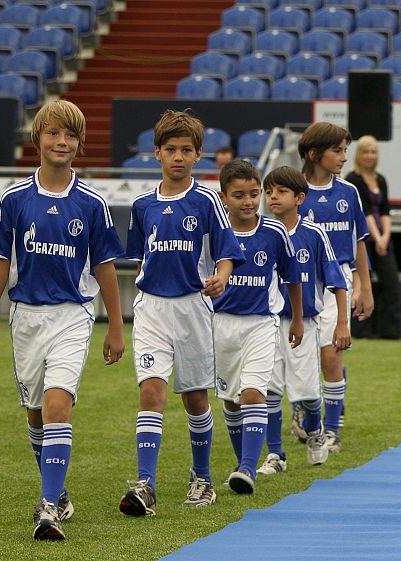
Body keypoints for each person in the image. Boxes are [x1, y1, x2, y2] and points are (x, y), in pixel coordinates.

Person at [0, 100, 125, 540]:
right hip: (25, 316)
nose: (62, 142)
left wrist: (116, 325)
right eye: (54, 133)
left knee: (59, 402)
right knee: (36, 413)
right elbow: (0, 260)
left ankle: (47, 508)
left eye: (71, 136)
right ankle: (57, 490)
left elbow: (105, 267)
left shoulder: (92, 203)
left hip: (73, 315)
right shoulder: (15, 198)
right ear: (37, 138)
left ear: (79, 144)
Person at [119, 109, 244, 517]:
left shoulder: (207, 200)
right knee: (151, 392)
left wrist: (221, 277)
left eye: (186, 150)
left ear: (198, 155)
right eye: (170, 149)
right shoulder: (142, 205)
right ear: (156, 153)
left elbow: (227, 252)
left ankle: (202, 477)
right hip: (152, 307)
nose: (177, 156)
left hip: (193, 307)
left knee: (194, 397)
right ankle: (145, 484)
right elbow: (139, 259)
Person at [213, 160, 304, 494]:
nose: (249, 201)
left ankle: (249, 469)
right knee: (231, 400)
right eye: (239, 195)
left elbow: (292, 277)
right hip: (220, 325)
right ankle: (241, 464)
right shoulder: (214, 235)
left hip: (261, 324)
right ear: (224, 197)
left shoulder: (274, 232)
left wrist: (296, 317)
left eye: (254, 194)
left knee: (254, 392)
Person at [261, 165, 351, 474]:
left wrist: (341, 322)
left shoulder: (314, 234)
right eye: (269, 191)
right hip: (266, 322)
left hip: (305, 323)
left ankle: (315, 431)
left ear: (300, 198)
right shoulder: (261, 231)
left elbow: (336, 281)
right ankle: (275, 454)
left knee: (308, 394)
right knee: (270, 389)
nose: (273, 197)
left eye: (281, 191)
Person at [292, 122, 374, 452]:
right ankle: (304, 406)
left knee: (331, 353)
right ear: (314, 154)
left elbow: (359, 242)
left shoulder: (348, 192)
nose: (343, 157)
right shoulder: (293, 191)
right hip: (299, 280)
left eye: (345, 150)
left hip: (335, 281)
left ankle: (332, 428)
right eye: (337, 151)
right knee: (302, 358)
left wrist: (364, 287)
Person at [345, 135, 401, 340]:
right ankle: (361, 330)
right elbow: (366, 211)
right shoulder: (353, 180)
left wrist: (385, 236)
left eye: (373, 152)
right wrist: (377, 238)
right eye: (366, 152)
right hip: (363, 239)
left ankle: (390, 331)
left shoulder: (380, 179)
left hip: (382, 238)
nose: (369, 156)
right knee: (362, 284)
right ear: (359, 155)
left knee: (392, 282)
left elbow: (386, 210)